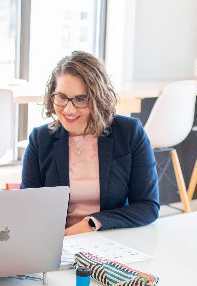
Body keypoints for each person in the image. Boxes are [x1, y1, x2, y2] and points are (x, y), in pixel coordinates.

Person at [22, 51, 159, 235]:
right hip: (56, 241)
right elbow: (27, 207)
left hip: (111, 237)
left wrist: (91, 224)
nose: (69, 109)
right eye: (61, 97)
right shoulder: (40, 139)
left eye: (80, 99)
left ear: (98, 99)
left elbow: (148, 206)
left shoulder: (129, 132)